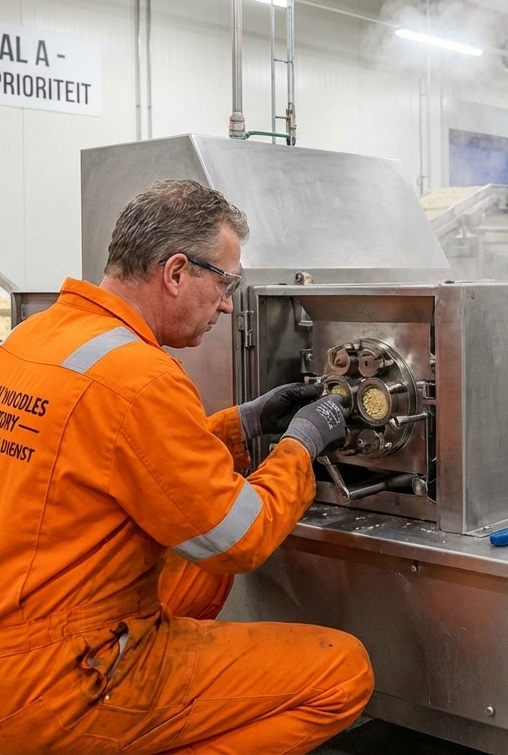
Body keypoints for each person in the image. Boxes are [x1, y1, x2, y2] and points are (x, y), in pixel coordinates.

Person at [0, 178, 374, 754]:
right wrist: (302, 444)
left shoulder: (34, 337)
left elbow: (121, 454)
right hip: (62, 680)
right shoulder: (141, 376)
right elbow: (238, 537)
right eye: (225, 284)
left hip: (18, 634)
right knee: (343, 673)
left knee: (199, 573)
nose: (226, 304)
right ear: (176, 272)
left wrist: (244, 424)